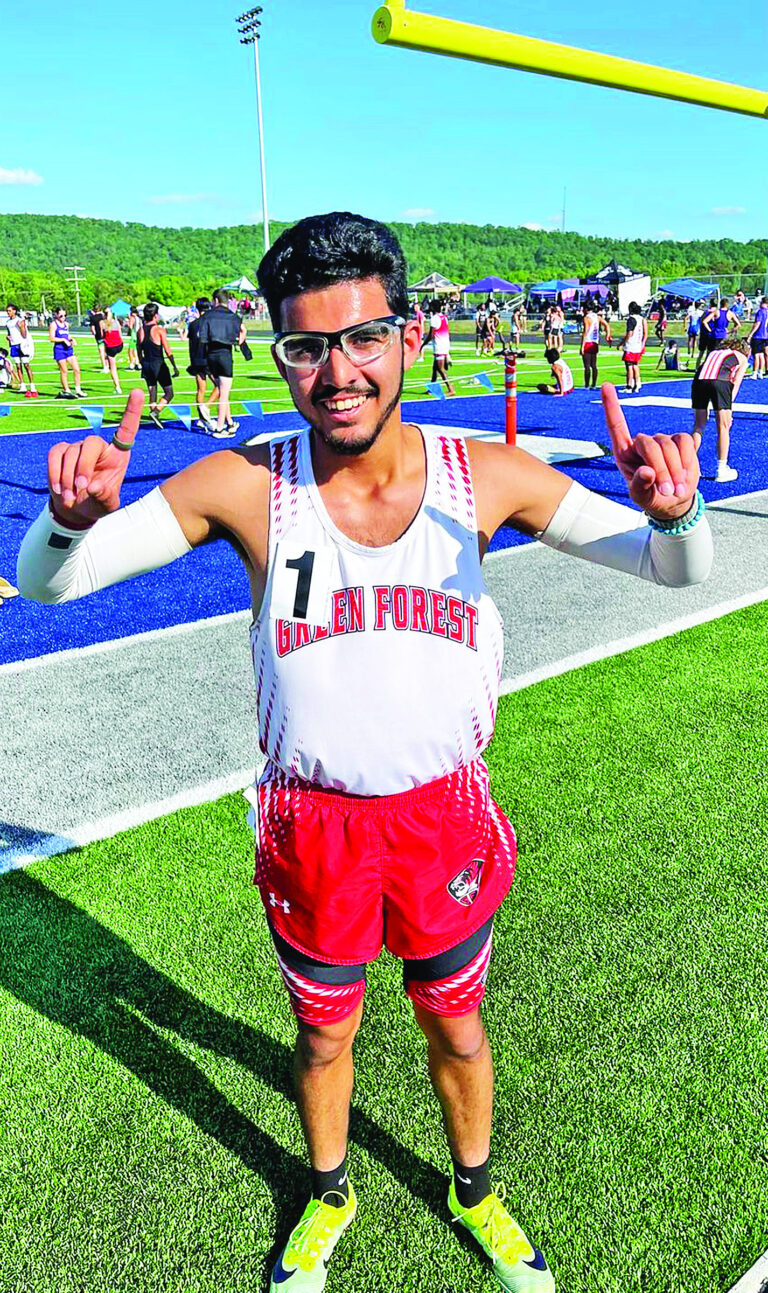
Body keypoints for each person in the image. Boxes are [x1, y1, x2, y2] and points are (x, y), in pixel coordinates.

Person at [16, 211, 713, 1293]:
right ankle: (330, 1188)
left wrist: (675, 513)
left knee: (458, 1025)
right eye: (307, 346)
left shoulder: (484, 474)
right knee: (324, 1036)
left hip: (444, 819)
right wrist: (66, 521)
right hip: (316, 826)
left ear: (406, 336)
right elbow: (52, 584)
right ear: (280, 351)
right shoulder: (247, 483)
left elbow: (673, 571)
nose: (337, 372)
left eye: (363, 339)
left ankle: (474, 1188)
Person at [691, 336, 750, 482]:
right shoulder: (741, 357)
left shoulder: (714, 352)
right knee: (723, 427)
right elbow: (736, 383)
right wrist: (729, 408)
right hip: (720, 381)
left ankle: (689, 466)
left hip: (699, 382)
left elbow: (703, 370)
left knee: (698, 426)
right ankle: (721, 469)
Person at [195, 289, 245, 438]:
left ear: (216, 300)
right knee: (224, 393)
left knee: (222, 390)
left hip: (210, 356)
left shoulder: (207, 315)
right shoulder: (233, 316)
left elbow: (200, 336)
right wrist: (238, 341)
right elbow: (242, 331)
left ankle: (230, 423)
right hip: (225, 356)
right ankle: (219, 428)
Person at [136, 303, 179, 428]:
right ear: (155, 316)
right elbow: (167, 350)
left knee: (152, 393)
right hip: (158, 364)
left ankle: (155, 417)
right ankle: (156, 411)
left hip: (147, 364)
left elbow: (138, 349)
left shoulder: (140, 331)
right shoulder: (159, 330)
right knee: (169, 393)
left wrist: (142, 362)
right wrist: (174, 366)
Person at [187, 297, 219, 431]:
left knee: (201, 389)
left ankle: (201, 418)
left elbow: (191, 343)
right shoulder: (211, 323)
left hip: (196, 359)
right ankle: (205, 408)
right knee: (220, 385)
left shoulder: (193, 324)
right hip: (208, 359)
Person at [48, 307, 87, 399]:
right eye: (61, 315)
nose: (63, 317)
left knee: (77, 369)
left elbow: (67, 335)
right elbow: (51, 338)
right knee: (64, 371)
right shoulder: (53, 325)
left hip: (68, 349)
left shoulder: (66, 324)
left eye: (65, 315)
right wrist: (63, 340)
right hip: (59, 349)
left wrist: (71, 339)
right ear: (56, 315)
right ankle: (67, 390)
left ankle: (78, 389)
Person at [420, 297, 456, 395]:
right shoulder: (444, 317)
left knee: (440, 369)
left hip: (439, 345)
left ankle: (451, 389)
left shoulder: (434, 319)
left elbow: (431, 335)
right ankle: (432, 389)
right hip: (445, 343)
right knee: (435, 368)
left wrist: (423, 344)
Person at [580, 301, 611, 389]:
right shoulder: (597, 317)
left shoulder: (587, 318)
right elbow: (606, 325)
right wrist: (608, 335)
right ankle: (593, 384)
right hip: (595, 342)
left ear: (586, 309)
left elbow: (585, 332)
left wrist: (582, 346)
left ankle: (586, 385)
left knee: (587, 366)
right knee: (593, 365)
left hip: (588, 342)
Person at [619, 302, 648, 394]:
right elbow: (645, 333)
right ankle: (637, 383)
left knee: (629, 366)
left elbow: (630, 333)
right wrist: (642, 344)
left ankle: (629, 386)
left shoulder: (631, 319)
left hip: (631, 345)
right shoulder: (642, 319)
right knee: (635, 365)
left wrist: (622, 343)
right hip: (638, 345)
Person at [100, 308, 124, 396]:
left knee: (113, 368)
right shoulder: (116, 322)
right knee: (113, 359)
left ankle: (117, 387)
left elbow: (102, 336)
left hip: (111, 347)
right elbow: (120, 334)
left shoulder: (102, 323)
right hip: (119, 345)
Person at [747, 296, 768, 379]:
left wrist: (750, 334)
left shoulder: (761, 311)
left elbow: (757, 323)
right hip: (765, 336)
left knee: (756, 354)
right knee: (762, 354)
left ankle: (755, 373)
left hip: (758, 335)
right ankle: (760, 372)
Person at [88, 305, 108, 372]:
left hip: (99, 336)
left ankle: (105, 367)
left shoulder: (93, 317)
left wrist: (94, 334)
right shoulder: (104, 316)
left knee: (101, 351)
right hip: (107, 335)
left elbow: (92, 329)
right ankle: (108, 365)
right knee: (107, 350)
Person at [685, 301, 702, 365]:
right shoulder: (701, 312)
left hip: (691, 327)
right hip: (697, 328)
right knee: (695, 340)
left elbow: (686, 318)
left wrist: (685, 326)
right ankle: (693, 353)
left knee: (690, 340)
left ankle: (689, 351)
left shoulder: (691, 312)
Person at [125, 307, 141, 371]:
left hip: (134, 335)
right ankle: (138, 363)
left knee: (130, 350)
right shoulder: (138, 318)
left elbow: (130, 326)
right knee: (136, 351)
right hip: (138, 335)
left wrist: (128, 320)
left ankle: (132, 364)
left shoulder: (132, 317)